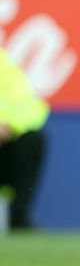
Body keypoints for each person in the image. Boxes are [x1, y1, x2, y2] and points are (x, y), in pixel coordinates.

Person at [0, 47, 49, 231]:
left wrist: (10, 126)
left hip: (5, 149)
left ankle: (18, 217)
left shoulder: (4, 65)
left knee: (33, 140)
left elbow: (34, 108)